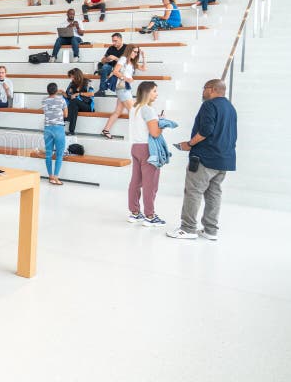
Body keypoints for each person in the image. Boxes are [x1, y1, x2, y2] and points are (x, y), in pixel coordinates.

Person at [168, 79, 237, 240]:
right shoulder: (230, 107)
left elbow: (205, 131)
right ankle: (210, 230)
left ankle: (188, 229)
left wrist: (189, 144)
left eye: (204, 88)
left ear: (212, 89)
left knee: (193, 192)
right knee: (214, 194)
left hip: (205, 158)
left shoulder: (209, 105)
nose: (202, 92)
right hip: (224, 159)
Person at [126, 81, 165, 227]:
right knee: (151, 184)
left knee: (135, 182)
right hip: (148, 149)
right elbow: (154, 133)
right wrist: (162, 124)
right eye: (154, 91)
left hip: (136, 147)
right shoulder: (148, 109)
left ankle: (135, 213)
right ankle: (150, 215)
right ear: (147, 92)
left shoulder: (134, 108)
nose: (157, 94)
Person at [101, 44, 146, 139]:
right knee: (133, 110)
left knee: (118, 111)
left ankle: (106, 129)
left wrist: (143, 56)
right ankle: (140, 132)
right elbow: (116, 71)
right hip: (122, 87)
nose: (135, 53)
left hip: (125, 88)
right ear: (129, 51)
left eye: (137, 52)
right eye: (134, 51)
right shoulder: (123, 59)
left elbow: (144, 69)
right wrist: (125, 78)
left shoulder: (132, 62)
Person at [43, 83, 67, 186]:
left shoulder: (44, 100)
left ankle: (50, 177)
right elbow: (66, 114)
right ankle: (56, 177)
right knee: (59, 154)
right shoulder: (61, 100)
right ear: (56, 90)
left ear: (47, 91)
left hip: (48, 128)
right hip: (59, 128)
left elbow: (45, 112)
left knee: (48, 154)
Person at [64, 68, 93, 135]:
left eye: (73, 77)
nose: (72, 79)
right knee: (74, 106)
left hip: (86, 106)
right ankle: (71, 131)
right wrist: (64, 93)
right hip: (75, 105)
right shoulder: (72, 84)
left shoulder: (87, 82)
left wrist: (78, 94)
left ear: (77, 76)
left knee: (74, 101)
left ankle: (66, 118)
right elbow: (68, 96)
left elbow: (91, 94)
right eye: (71, 77)